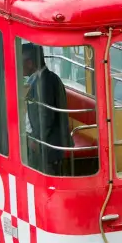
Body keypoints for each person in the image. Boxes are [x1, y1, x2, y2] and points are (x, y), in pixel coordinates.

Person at [21, 42, 70, 175]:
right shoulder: (36, 79)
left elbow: (46, 116)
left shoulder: (46, 82)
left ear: (30, 63)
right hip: (40, 143)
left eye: (21, 62)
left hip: (47, 147)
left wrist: (36, 139)